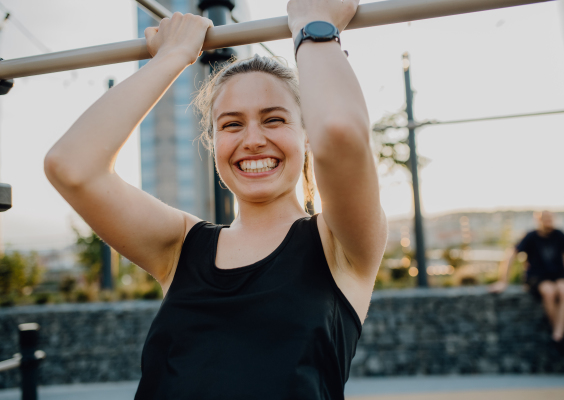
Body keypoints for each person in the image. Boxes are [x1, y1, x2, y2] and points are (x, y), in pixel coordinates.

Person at [43, 0, 387, 398]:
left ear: (306, 135)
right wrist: (173, 57)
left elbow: (340, 132)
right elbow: (71, 165)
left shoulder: (340, 243)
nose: (253, 139)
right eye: (232, 124)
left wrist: (313, 26)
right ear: (212, 142)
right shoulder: (181, 246)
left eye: (274, 119)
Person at [489, 211, 564, 344]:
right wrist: (503, 281)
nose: (548, 222)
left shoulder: (559, 234)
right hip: (537, 277)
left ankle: (558, 332)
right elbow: (511, 255)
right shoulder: (531, 236)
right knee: (549, 291)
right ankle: (558, 334)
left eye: (550, 218)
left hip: (558, 275)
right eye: (545, 219)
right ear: (538, 221)